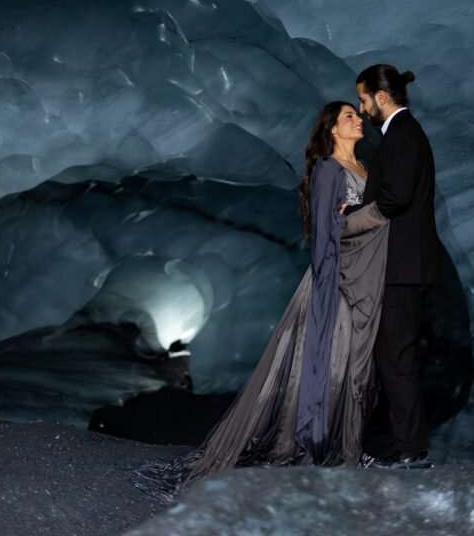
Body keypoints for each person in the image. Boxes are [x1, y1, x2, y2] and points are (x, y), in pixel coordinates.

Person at [135, 101, 389, 498]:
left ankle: (346, 445)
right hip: (334, 280)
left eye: (357, 115)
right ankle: (318, 445)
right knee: (331, 363)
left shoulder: (363, 169)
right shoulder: (328, 169)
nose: (358, 120)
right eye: (348, 117)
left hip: (363, 277)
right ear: (332, 129)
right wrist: (368, 217)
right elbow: (327, 231)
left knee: (355, 365)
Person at [355, 64, 439, 470]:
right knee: (394, 357)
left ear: (381, 97)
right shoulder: (403, 133)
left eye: (363, 100)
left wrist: (354, 219)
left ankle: (412, 452)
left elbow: (396, 197)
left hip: (402, 268)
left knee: (396, 358)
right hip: (403, 266)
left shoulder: (403, 134)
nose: (362, 109)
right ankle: (408, 446)